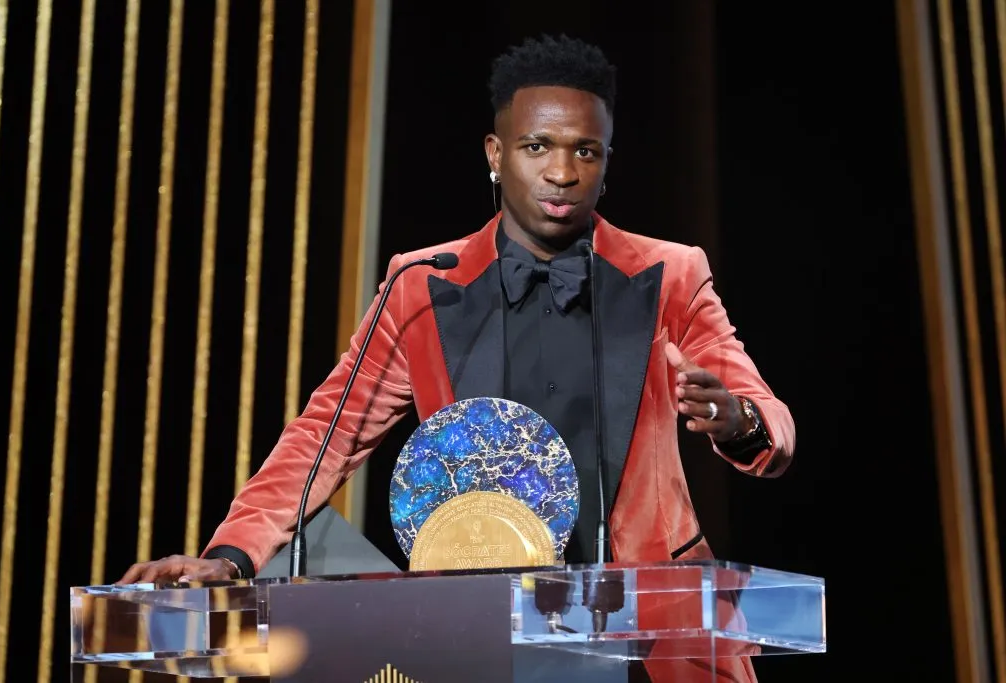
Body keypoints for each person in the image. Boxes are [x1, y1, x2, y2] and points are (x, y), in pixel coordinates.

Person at [118, 34, 794, 683]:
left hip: (657, 630)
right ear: (495, 154)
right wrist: (230, 558)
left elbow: (768, 416)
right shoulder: (421, 285)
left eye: (586, 150)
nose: (563, 172)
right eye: (538, 147)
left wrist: (740, 419)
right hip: (483, 629)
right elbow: (320, 439)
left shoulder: (670, 274)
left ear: (608, 159)